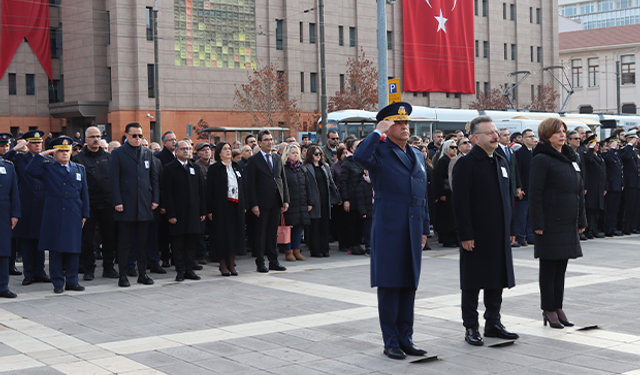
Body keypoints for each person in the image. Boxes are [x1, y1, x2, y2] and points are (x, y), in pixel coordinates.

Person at [353, 102, 429, 360]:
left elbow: (422, 195)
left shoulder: (417, 155)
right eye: (398, 123)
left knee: (409, 284)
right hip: (389, 226)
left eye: (406, 123)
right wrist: (377, 132)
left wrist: (424, 229)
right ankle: (391, 341)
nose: (405, 127)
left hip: (414, 225)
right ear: (386, 125)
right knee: (389, 285)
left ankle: (406, 338)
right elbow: (359, 157)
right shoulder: (379, 151)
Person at [451, 115, 518, 346]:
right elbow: (460, 203)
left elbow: (507, 197)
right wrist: (465, 234)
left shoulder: (500, 159)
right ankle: (471, 326)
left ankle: (493, 323)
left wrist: (511, 227)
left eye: (496, 132)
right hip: (477, 235)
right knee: (472, 282)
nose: (495, 136)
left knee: (496, 279)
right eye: (489, 133)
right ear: (475, 137)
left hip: (499, 233)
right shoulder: (466, 164)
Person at [528, 118, 586, 329]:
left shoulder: (571, 157)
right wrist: (538, 223)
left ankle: (558, 306)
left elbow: (578, 191)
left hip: (568, 221)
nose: (562, 135)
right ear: (546, 135)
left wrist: (581, 219)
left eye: (564, 131)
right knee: (549, 267)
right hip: (550, 221)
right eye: (557, 132)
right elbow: (535, 194)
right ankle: (548, 308)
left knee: (561, 266)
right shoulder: (542, 159)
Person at [25, 137, 90, 294]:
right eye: (61, 151)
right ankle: (58, 282)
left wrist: (85, 213)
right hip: (55, 213)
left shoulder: (78, 168)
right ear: (54, 153)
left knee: (73, 250)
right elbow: (30, 171)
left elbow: (84, 193)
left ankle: (72, 281)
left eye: (67, 151)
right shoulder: (48, 167)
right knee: (56, 250)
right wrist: (43, 154)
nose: (65, 154)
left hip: (74, 213)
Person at [109, 122, 160, 287]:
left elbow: (153, 178)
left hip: (144, 203)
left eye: (140, 135)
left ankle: (142, 273)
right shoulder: (118, 153)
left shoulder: (147, 153)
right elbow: (113, 179)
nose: (138, 138)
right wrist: (117, 201)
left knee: (142, 242)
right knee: (124, 243)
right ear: (126, 135)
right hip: (125, 203)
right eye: (134, 136)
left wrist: (155, 199)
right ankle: (123, 275)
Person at [3, 130, 51, 286]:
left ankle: (40, 271)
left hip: (42, 203)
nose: (37, 145)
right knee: (27, 241)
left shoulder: (46, 159)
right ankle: (29, 272)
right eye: (34, 143)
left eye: (39, 142)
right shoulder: (19, 158)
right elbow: (4, 161)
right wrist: (14, 149)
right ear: (28, 144)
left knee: (40, 239)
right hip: (26, 203)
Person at [72, 126, 119, 280]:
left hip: (107, 204)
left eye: (98, 136)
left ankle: (108, 268)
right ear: (86, 139)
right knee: (87, 240)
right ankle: (89, 269)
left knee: (109, 238)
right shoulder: (78, 159)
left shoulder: (109, 157)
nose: (96, 139)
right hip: (88, 205)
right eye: (92, 137)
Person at [245, 130, 289, 273]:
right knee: (260, 234)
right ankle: (260, 262)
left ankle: (273, 261)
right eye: (266, 140)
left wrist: (285, 199)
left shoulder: (277, 158)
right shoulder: (253, 160)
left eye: (271, 139)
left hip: (276, 201)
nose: (270, 142)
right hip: (261, 203)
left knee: (272, 233)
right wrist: (253, 204)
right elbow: (249, 184)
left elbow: (282, 180)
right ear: (259, 143)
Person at [162, 141, 205, 281]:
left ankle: (189, 269)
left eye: (188, 148)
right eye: (183, 149)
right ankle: (180, 271)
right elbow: (166, 193)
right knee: (178, 244)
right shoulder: (169, 169)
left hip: (193, 213)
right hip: (178, 213)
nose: (186, 151)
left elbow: (201, 191)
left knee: (191, 243)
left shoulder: (195, 167)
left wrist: (202, 211)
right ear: (176, 151)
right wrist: (171, 214)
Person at [207, 142, 246, 276]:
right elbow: (209, 190)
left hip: (236, 205)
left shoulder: (236, 167)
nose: (228, 151)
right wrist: (209, 209)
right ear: (219, 152)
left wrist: (244, 205)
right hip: (221, 207)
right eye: (225, 149)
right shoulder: (215, 169)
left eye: (229, 149)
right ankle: (222, 264)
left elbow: (242, 187)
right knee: (222, 236)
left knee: (234, 235)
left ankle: (232, 263)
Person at [304, 145, 340, 258]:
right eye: (316, 154)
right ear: (310, 155)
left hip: (325, 198)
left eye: (320, 154)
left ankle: (325, 248)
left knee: (325, 224)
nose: (318, 156)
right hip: (314, 199)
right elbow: (305, 186)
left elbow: (331, 183)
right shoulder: (305, 167)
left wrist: (337, 197)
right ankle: (315, 249)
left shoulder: (325, 166)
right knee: (315, 225)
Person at [281, 145, 313, 261]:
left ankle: (297, 250)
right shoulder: (283, 168)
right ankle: (288, 251)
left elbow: (308, 187)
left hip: (301, 202)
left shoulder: (302, 168)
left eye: (297, 152)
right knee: (288, 227)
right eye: (293, 152)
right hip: (289, 203)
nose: (295, 155)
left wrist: (309, 202)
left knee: (299, 227)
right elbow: (282, 187)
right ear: (287, 154)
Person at [154, 131, 177, 267]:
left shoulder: (178, 157)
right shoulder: (158, 157)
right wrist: (162, 203)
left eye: (175, 139)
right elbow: (159, 182)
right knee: (163, 232)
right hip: (165, 200)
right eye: (170, 140)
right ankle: (165, 257)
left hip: (177, 200)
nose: (174, 142)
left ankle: (176, 257)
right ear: (164, 143)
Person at [341, 139, 365, 254]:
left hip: (362, 198)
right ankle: (352, 244)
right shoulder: (348, 162)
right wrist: (346, 199)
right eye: (357, 146)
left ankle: (358, 243)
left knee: (360, 222)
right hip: (351, 197)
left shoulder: (363, 160)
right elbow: (343, 182)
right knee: (351, 222)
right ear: (351, 149)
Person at [0, 155, 20, 298]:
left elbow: (14, 191)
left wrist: (15, 213)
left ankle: (3, 286)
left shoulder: (8, 166)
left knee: (3, 249)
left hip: (4, 212)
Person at [513, 129, 537, 246]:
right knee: (522, 215)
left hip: (534, 189)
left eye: (533, 136)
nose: (533, 138)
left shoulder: (534, 152)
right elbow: (517, 172)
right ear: (523, 139)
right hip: (524, 188)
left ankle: (530, 235)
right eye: (530, 137)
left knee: (531, 215)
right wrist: (519, 187)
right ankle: (521, 236)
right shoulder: (519, 153)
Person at [434, 139, 458, 247]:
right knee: (446, 217)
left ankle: (454, 238)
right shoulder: (442, 161)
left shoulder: (456, 160)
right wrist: (441, 193)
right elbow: (439, 179)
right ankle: (447, 239)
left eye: (455, 147)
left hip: (454, 192)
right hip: (446, 193)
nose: (454, 149)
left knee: (453, 217)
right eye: (452, 147)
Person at [584, 135, 607, 238]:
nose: (597, 146)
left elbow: (604, 173)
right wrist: (590, 149)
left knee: (597, 210)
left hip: (599, 187)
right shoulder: (588, 155)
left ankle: (594, 230)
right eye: (595, 144)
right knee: (590, 210)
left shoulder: (599, 156)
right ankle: (589, 230)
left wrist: (605, 187)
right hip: (592, 187)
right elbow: (588, 160)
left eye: (598, 144)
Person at [619, 132, 640, 234]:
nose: (636, 141)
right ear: (628, 140)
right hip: (629, 182)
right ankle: (625, 227)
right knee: (628, 205)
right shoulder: (625, 150)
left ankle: (633, 226)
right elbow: (625, 157)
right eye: (633, 139)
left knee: (636, 206)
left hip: (636, 182)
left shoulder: (635, 151)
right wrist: (629, 145)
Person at [602, 136, 624, 237]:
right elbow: (608, 160)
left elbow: (620, 171)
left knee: (615, 208)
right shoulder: (607, 154)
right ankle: (608, 229)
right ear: (609, 144)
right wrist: (612, 148)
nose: (618, 144)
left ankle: (613, 227)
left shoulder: (616, 155)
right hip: (611, 185)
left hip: (618, 185)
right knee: (610, 209)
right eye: (615, 142)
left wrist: (622, 184)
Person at [330, 145, 348, 252]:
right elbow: (332, 181)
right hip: (339, 197)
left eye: (347, 153)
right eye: (343, 153)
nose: (345, 155)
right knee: (341, 222)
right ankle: (342, 244)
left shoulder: (351, 164)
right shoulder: (335, 166)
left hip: (350, 196)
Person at [356, 169, 373, 254]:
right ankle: (368, 246)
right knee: (368, 230)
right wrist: (363, 212)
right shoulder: (362, 185)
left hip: (376, 211)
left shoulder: (377, 182)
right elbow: (360, 200)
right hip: (367, 211)